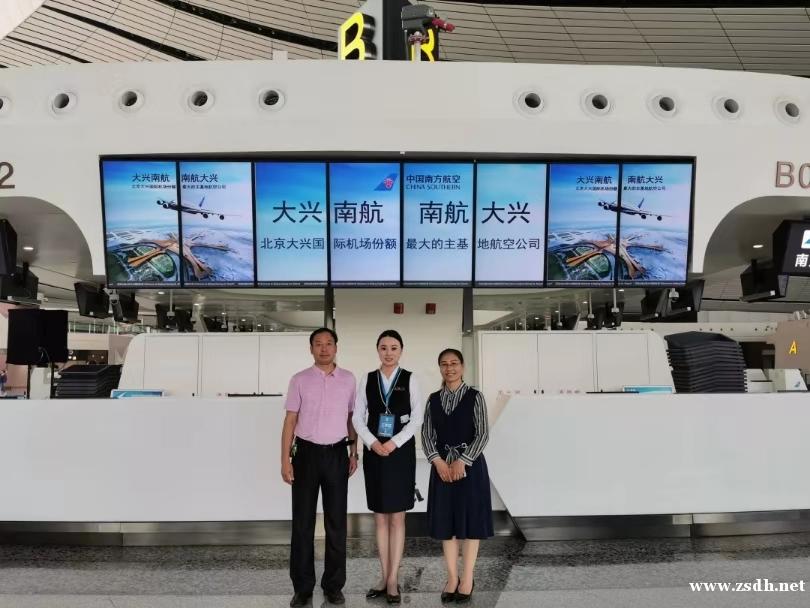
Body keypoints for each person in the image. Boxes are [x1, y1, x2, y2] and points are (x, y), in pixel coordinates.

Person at [281, 328, 358, 607]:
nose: (324, 348)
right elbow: (290, 421)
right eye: (318, 344)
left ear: (336, 347)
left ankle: (333, 585)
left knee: (336, 522)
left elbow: (352, 418)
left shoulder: (349, 379)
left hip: (337, 453)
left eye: (329, 343)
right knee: (302, 522)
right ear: (311, 348)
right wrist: (285, 460)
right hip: (305, 455)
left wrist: (354, 451)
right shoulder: (299, 379)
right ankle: (302, 588)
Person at [352, 330, 423, 604]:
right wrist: (372, 442)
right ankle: (383, 576)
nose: (388, 352)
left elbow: (417, 418)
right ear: (377, 350)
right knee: (380, 517)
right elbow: (357, 417)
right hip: (375, 453)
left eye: (394, 348)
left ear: (401, 350)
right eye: (384, 347)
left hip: (400, 453)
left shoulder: (410, 378)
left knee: (398, 517)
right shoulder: (367, 379)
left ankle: (393, 579)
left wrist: (393, 443)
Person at [421, 348, 493, 604]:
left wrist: (463, 460)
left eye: (454, 363)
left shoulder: (475, 397)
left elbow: (483, 433)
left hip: (470, 469)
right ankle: (452, 578)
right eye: (444, 364)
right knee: (446, 526)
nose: (449, 368)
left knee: (471, 524)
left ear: (462, 366)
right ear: (439, 368)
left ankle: (467, 578)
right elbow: (426, 435)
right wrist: (438, 462)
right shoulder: (433, 399)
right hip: (442, 469)